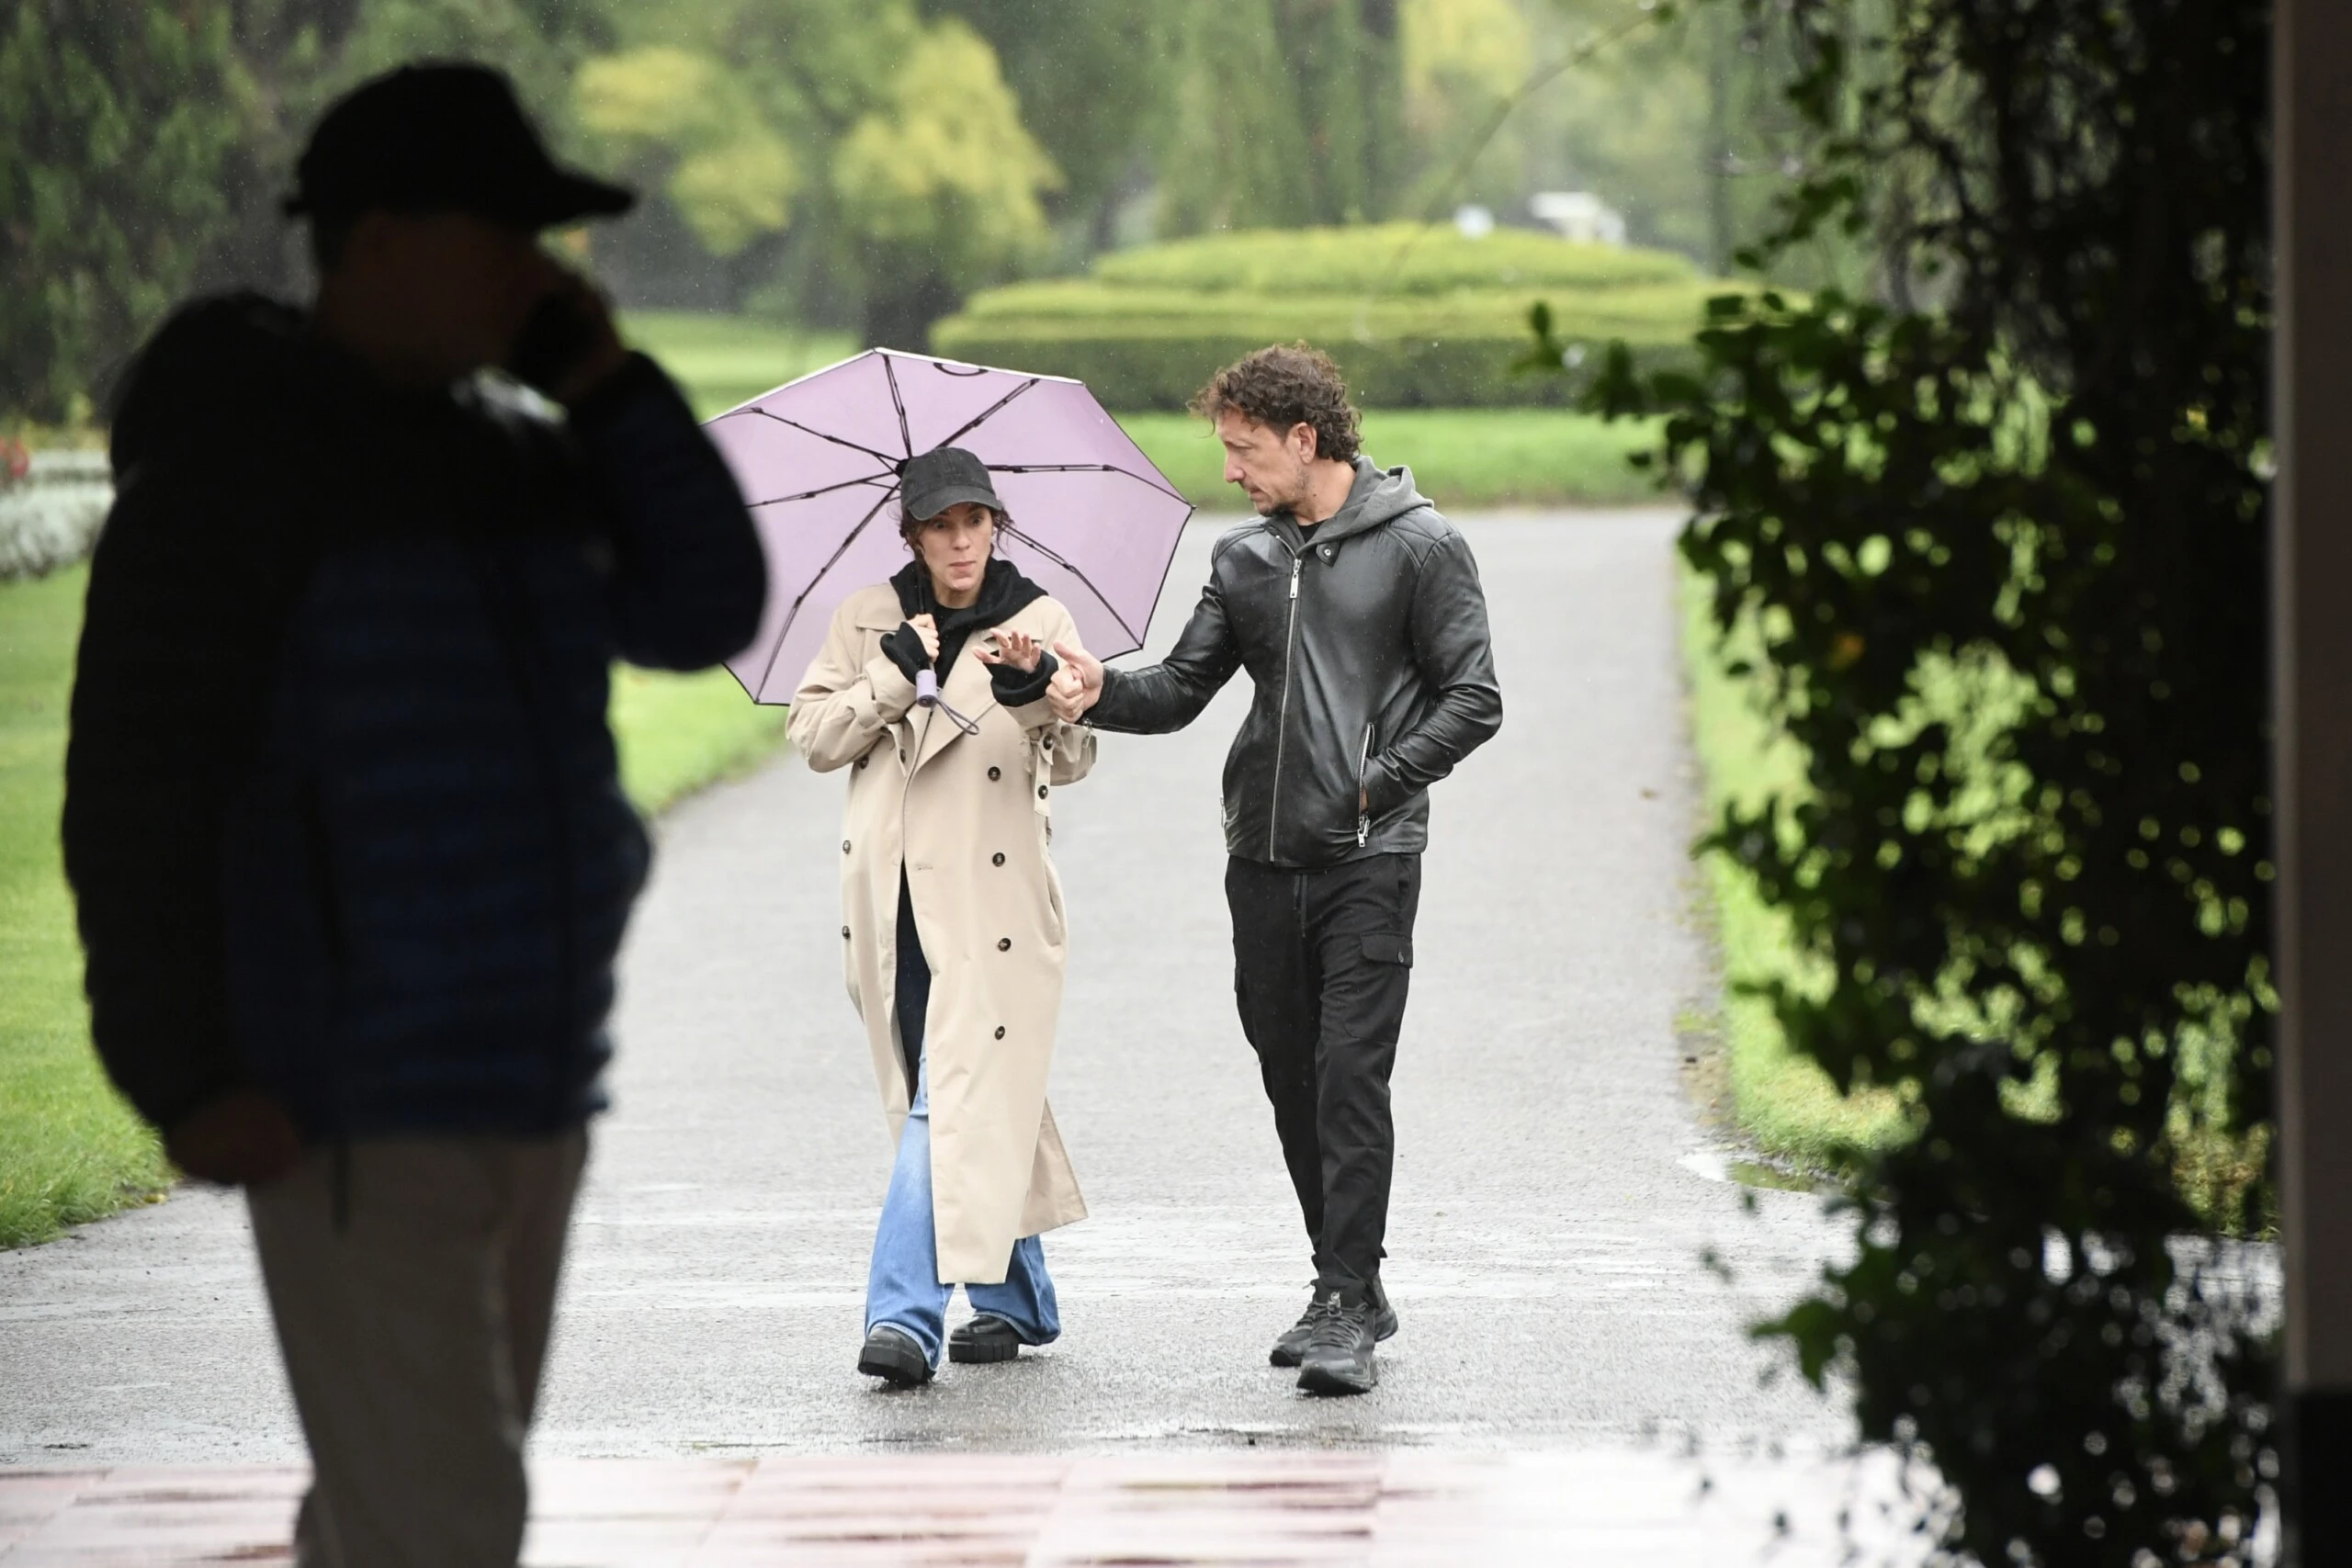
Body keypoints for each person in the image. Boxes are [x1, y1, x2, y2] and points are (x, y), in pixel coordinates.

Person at [61, 64, 764, 1568]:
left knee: (412, 1498)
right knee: (443, 1516)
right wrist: (182, 1069)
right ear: (379, 240)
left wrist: (608, 386)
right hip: (350, 1094)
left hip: (529, 1077)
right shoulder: (235, 477)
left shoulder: (508, 456)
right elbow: (140, 790)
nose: (536, 269)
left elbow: (704, 599)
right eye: (502, 232)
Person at [1051, 344, 1502, 1396]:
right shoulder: (1244, 562)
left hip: (1367, 859)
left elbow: (1473, 698)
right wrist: (1079, 687)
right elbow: (1174, 690)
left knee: (1350, 1076)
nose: (1232, 473)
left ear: (1307, 440)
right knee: (1290, 1075)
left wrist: (1374, 784)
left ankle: (1346, 1301)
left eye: (1245, 451)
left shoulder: (1424, 548)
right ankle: (1344, 1281)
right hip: (1257, 860)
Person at [788, 446, 1097, 1386]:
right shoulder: (867, 618)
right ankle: (1016, 1299)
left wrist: (1033, 691)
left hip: (994, 902)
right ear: (913, 534)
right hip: (893, 906)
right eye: (939, 527)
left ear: (995, 526)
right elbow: (810, 737)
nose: (960, 543)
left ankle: (905, 1320)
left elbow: (1078, 753)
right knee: (966, 1093)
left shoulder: (1038, 615)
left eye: (974, 523)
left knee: (945, 1096)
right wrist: (889, 675)